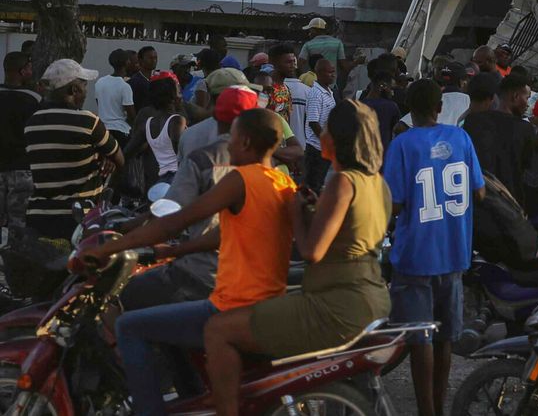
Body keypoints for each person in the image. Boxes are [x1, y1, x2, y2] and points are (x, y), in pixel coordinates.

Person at [83, 108, 295, 416]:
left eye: (232, 139)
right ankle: (191, 395)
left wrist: (109, 249)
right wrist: (166, 252)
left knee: (129, 326)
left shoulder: (240, 179)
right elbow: (224, 235)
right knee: (164, 321)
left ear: (246, 143)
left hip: (233, 302)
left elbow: (174, 221)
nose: (227, 146)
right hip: (263, 298)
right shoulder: (281, 183)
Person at [204, 100, 392, 416]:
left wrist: (293, 212)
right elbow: (349, 234)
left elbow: (312, 252)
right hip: (373, 297)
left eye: (328, 129)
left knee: (218, 329)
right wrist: (313, 209)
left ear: (341, 138)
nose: (323, 135)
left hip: (335, 305)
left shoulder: (342, 182)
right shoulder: (377, 182)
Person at [385, 79, 485, 416]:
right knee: (444, 336)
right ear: (439, 107)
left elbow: (394, 204)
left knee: (420, 337)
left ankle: (426, 410)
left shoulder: (402, 144)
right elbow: (480, 192)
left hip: (415, 254)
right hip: (454, 250)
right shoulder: (460, 137)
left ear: (409, 110)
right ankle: (439, 408)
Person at [118, 86, 259, 313]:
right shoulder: (269, 164)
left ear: (215, 115)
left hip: (206, 272)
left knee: (126, 306)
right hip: (250, 274)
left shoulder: (203, 158)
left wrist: (122, 234)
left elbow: (170, 218)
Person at [25, 59, 123, 239]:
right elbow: (120, 159)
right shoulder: (88, 121)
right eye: (84, 85)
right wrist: (105, 158)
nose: (86, 91)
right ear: (73, 90)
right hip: (78, 219)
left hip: (38, 217)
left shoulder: (32, 122)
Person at [460, 72, 538, 210]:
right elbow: (529, 169)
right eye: (527, 97)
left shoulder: (473, 121)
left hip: (476, 202)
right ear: (515, 96)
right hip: (509, 206)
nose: (528, 104)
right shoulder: (526, 129)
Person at [0, 51, 39, 245]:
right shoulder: (33, 99)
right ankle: (13, 261)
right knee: (18, 221)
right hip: (22, 168)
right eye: (30, 68)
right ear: (23, 71)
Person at [303, 56, 337, 190]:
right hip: (316, 148)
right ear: (320, 73)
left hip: (323, 147)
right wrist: (326, 141)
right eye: (330, 72)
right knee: (313, 185)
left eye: (333, 72)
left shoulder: (328, 91)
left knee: (319, 183)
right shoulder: (316, 94)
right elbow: (313, 122)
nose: (333, 75)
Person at [95, 48, 136, 146]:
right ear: (127, 63)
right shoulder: (125, 86)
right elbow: (131, 115)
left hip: (102, 130)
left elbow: (99, 104)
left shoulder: (100, 82)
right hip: (120, 130)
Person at [129, 45, 158, 112]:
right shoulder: (134, 82)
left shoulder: (159, 79)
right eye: (150, 58)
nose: (154, 61)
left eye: (155, 58)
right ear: (141, 60)